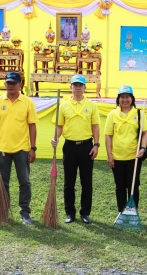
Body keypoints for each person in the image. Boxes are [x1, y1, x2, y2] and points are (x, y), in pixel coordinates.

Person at [0, 71, 38, 224]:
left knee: (25, 182)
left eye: (13, 83)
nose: (10, 86)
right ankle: (2, 213)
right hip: (2, 149)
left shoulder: (28, 102)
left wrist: (32, 148)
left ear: (20, 85)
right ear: (5, 84)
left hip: (22, 149)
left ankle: (25, 213)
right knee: (2, 183)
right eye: (8, 83)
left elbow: (32, 125)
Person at [51, 74, 100, 224]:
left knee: (86, 181)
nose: (78, 88)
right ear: (70, 87)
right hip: (70, 146)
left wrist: (96, 145)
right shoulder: (64, 105)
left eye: (80, 85)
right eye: (75, 85)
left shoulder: (91, 105)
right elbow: (59, 126)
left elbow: (95, 126)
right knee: (69, 181)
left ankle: (85, 213)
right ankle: (70, 213)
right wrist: (56, 138)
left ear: (85, 88)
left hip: (86, 146)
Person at [105, 85, 147, 212]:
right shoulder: (112, 114)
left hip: (134, 157)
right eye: (122, 97)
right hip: (117, 156)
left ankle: (132, 211)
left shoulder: (139, 113)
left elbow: (145, 132)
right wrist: (109, 155)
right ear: (118, 99)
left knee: (133, 186)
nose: (125, 100)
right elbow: (108, 135)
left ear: (132, 98)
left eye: (127, 97)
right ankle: (121, 211)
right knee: (120, 186)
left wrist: (143, 148)